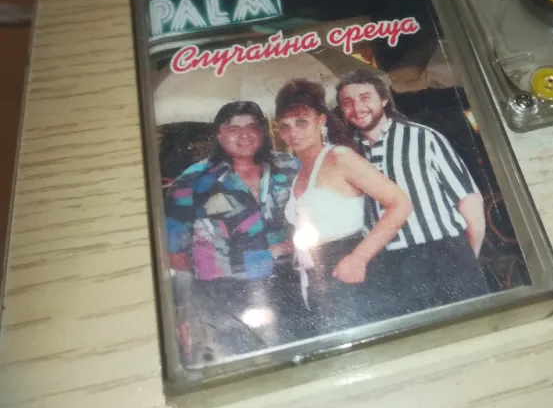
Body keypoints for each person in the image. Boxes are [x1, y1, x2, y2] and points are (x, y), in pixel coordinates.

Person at [335, 69, 490, 317]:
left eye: (365, 97)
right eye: (348, 102)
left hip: (444, 254)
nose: (357, 107)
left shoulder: (423, 137)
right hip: (388, 266)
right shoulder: (348, 154)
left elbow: (470, 200)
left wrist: (467, 258)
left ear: (383, 99)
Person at [164, 101, 309, 365]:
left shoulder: (290, 167)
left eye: (252, 127)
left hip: (292, 284)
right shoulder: (193, 181)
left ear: (262, 131)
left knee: (301, 358)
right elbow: (174, 252)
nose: (244, 135)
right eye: (233, 128)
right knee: (246, 366)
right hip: (228, 297)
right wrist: (193, 303)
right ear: (219, 135)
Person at [274, 78, 412, 332]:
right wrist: (286, 246)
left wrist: (359, 257)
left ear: (321, 121)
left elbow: (400, 203)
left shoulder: (340, 158)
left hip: (350, 272)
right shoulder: (299, 171)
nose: (292, 132)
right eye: (285, 126)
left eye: (302, 122)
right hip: (313, 278)